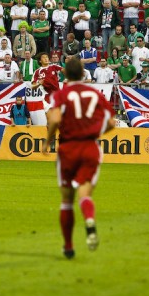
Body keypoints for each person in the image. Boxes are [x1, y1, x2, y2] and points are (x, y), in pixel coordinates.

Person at [42, 57, 115, 259]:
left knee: (67, 200)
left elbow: (55, 118)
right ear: (83, 74)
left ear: (65, 73)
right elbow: (111, 122)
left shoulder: (61, 94)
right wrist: (95, 133)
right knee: (84, 193)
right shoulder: (94, 93)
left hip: (68, 148)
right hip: (90, 147)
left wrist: (48, 141)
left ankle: (68, 246)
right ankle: (89, 219)